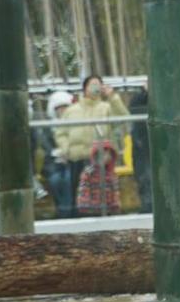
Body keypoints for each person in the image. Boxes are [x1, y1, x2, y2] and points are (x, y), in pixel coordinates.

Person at [55, 75, 128, 217]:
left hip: (101, 160)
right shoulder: (72, 110)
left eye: (98, 84)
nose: (95, 87)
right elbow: (61, 132)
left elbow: (123, 117)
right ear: (85, 88)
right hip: (77, 159)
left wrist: (113, 97)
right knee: (78, 195)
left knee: (102, 195)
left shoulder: (107, 108)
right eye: (92, 84)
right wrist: (66, 149)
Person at [43, 90, 76, 218]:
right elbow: (46, 146)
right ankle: (63, 211)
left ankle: (67, 212)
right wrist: (56, 153)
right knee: (55, 181)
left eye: (65, 108)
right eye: (59, 108)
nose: (62, 111)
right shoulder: (48, 127)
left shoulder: (75, 125)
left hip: (72, 163)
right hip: (54, 165)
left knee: (69, 179)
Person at [128, 81, 151, 213]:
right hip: (141, 145)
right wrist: (146, 93)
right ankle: (147, 207)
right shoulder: (139, 97)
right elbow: (132, 109)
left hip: (160, 146)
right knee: (143, 178)